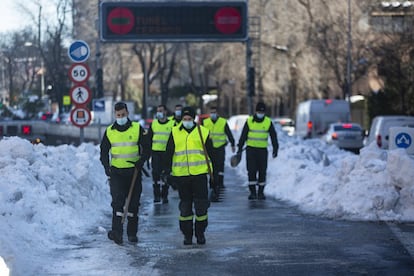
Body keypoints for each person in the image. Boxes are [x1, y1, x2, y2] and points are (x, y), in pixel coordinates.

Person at [100, 102, 150, 245]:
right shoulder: (110, 131)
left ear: (127, 113)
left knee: (133, 205)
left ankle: (132, 233)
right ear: (115, 115)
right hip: (116, 173)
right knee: (117, 204)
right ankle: (117, 233)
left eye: (123, 114)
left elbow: (147, 147)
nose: (120, 117)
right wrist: (106, 166)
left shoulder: (137, 129)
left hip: (133, 172)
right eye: (118, 115)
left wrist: (142, 161)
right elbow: (103, 151)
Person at [165, 106, 213, 245]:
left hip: (199, 176)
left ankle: (200, 233)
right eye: (185, 119)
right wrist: (168, 173)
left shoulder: (203, 132)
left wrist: (214, 178)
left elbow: (212, 155)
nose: (186, 121)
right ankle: (187, 235)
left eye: (189, 119)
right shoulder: (175, 132)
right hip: (182, 177)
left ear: (194, 119)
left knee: (201, 207)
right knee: (185, 207)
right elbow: (168, 153)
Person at [237, 102, 279, 200]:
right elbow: (243, 135)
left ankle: (260, 192)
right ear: (256, 111)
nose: (261, 113)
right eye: (259, 111)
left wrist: (275, 148)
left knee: (262, 172)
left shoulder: (268, 122)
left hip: (262, 151)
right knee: (251, 171)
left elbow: (273, 136)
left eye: (262, 112)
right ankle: (252, 192)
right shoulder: (249, 121)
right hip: (251, 151)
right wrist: (240, 147)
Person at [202, 106, 236, 201]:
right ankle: (212, 182)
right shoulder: (205, 122)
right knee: (211, 165)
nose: (213, 114)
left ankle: (220, 182)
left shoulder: (222, 122)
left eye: (214, 112)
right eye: (211, 112)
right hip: (209, 148)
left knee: (220, 165)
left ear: (217, 113)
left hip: (220, 147)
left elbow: (228, 133)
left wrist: (232, 143)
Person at [147, 104, 175, 203]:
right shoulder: (154, 124)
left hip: (167, 154)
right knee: (156, 175)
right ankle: (156, 195)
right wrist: (147, 153)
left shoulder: (172, 124)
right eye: (158, 111)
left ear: (165, 112)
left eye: (161, 110)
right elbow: (149, 139)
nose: (159, 113)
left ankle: (165, 195)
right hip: (156, 153)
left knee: (166, 175)